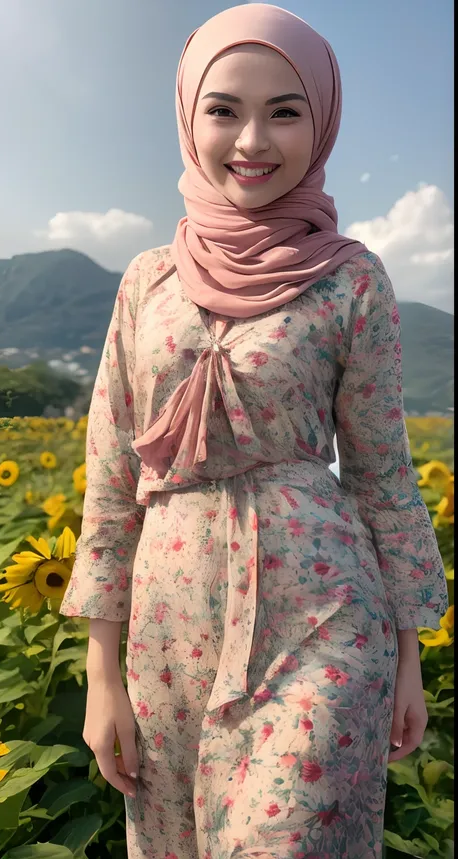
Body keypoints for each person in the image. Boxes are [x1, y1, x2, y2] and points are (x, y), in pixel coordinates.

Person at [60, 5, 448, 858]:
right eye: (224, 108)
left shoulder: (354, 283)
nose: (253, 140)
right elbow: (112, 476)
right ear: (187, 113)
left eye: (286, 110)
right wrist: (101, 671)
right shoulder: (147, 284)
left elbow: (383, 474)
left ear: (324, 118)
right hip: (170, 635)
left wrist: (410, 654)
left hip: (324, 624)